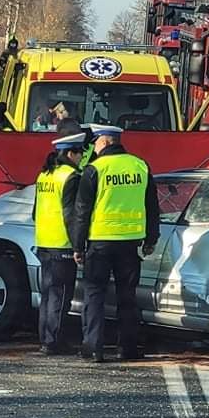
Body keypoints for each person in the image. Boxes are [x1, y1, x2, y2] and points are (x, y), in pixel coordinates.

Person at [71, 125, 160, 363]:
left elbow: (82, 211)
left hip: (100, 243)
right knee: (127, 297)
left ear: (106, 141)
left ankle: (93, 348)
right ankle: (127, 348)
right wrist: (151, 239)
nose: (94, 146)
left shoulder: (95, 169)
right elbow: (152, 205)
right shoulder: (140, 165)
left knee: (94, 295)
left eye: (96, 141)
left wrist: (77, 246)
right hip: (130, 244)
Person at [33, 132, 86, 355]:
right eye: (80, 154)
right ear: (71, 153)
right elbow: (70, 215)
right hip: (61, 244)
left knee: (48, 294)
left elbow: (36, 211)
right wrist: (77, 246)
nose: (82, 158)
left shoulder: (45, 174)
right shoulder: (70, 176)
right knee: (61, 295)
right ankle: (54, 341)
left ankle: (45, 338)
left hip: (44, 241)